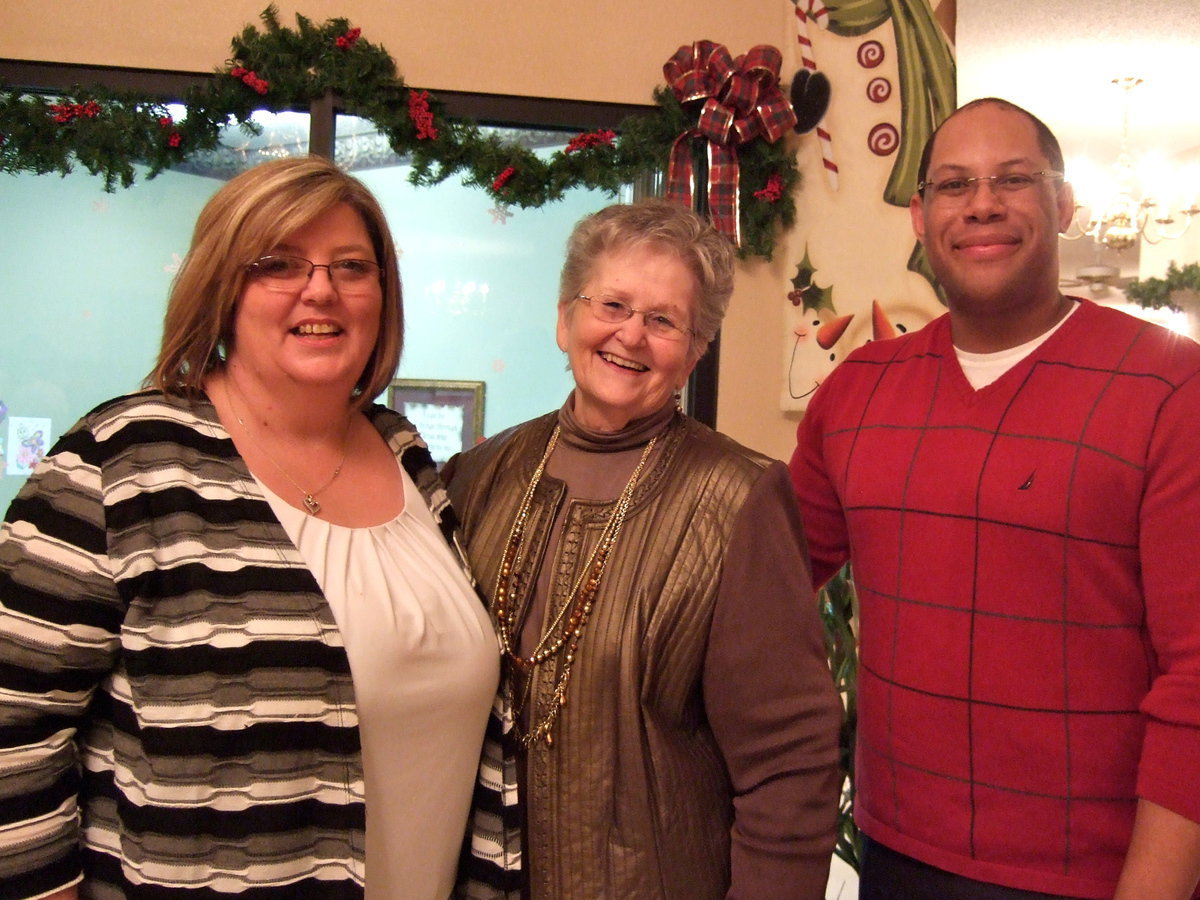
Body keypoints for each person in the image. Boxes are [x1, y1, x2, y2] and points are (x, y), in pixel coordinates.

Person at [0, 155, 516, 898]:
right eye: (278, 263)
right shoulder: (121, 462)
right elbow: (12, 724)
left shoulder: (407, 457)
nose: (321, 290)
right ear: (222, 289)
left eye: (351, 266)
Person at [790, 97, 1200, 899]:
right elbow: (754, 584)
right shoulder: (857, 392)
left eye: (1014, 179)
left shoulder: (1170, 387)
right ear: (920, 216)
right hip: (894, 855)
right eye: (954, 184)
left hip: (1098, 874)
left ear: (1064, 203)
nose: (982, 204)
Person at [441, 199, 843, 898]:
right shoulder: (477, 475)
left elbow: (789, 762)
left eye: (663, 320)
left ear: (695, 350)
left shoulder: (739, 500)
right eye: (612, 305)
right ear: (566, 319)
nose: (630, 334)